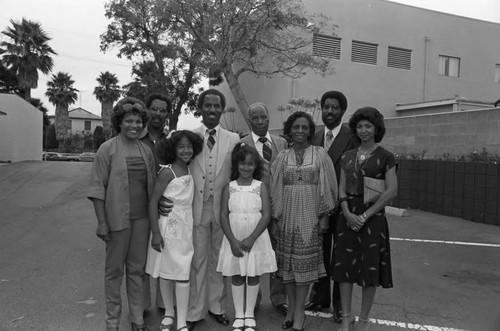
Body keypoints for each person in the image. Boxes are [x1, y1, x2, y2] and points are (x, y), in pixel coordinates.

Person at [87, 97, 155, 331]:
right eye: (129, 121)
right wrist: (101, 222)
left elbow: (153, 188)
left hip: (142, 222)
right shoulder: (107, 149)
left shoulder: (146, 150)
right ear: (120, 122)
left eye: (138, 121)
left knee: (137, 271)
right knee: (114, 272)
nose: (134, 125)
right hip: (117, 221)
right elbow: (97, 188)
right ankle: (112, 322)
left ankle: (137, 319)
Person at [270, 111, 338, 331]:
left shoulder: (320, 155)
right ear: (289, 130)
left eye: (304, 127)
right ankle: (290, 308)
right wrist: (275, 218)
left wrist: (325, 215)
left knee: (304, 267)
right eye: (296, 127)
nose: (300, 131)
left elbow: (328, 186)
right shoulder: (281, 157)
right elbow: (275, 188)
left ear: (310, 131)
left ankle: (299, 312)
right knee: (287, 267)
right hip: (287, 217)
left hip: (310, 218)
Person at [332, 107, 397, 331]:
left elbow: (391, 191)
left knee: (370, 270)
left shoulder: (386, 156)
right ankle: (347, 317)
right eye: (359, 126)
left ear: (376, 128)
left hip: (373, 219)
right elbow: (340, 188)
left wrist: (366, 215)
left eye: (368, 126)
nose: (363, 130)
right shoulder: (347, 156)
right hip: (347, 217)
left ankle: (364, 319)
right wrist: (348, 213)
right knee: (344, 269)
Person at [186, 89, 240, 330]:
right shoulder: (189, 135)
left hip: (222, 208)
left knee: (219, 261)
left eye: (216, 106)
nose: (211, 110)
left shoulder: (233, 138)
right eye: (207, 105)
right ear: (200, 108)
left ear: (221, 108)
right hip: (197, 206)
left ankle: (216, 306)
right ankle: (194, 311)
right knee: (197, 260)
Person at [308, 91, 360, 323]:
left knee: (341, 257)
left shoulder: (353, 136)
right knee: (319, 253)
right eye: (326, 107)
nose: (329, 111)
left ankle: (341, 306)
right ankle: (320, 297)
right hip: (317, 205)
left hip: (343, 205)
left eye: (335, 107)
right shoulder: (315, 136)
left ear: (343, 111)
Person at [145, 130, 204, 331]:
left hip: (185, 226)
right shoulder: (167, 172)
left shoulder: (190, 170)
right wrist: (155, 232)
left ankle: (181, 319)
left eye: (189, 146)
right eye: (181, 146)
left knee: (182, 270)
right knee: (167, 270)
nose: (186, 150)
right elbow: (153, 201)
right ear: (173, 149)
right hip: (168, 226)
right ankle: (170, 313)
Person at [217, 143, 278, 331]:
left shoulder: (260, 187)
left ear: (256, 167)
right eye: (242, 164)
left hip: (256, 238)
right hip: (234, 237)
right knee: (237, 275)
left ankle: (250, 314)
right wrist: (232, 241)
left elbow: (266, 214)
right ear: (236, 165)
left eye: (250, 164)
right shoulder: (230, 187)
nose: (246, 168)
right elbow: (223, 215)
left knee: (252, 275)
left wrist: (252, 238)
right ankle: (239, 315)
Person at [239, 102, 289, 315]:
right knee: (253, 254)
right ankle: (254, 299)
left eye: (263, 117)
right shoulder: (241, 144)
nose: (260, 122)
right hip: (252, 210)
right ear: (249, 121)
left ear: (269, 118)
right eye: (255, 118)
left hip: (278, 209)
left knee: (279, 254)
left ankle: (279, 297)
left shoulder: (281, 142)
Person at [140, 92, 173, 313]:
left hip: (165, 210)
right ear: (147, 110)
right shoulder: (135, 137)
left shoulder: (170, 142)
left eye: (163, 110)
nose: (158, 113)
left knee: (164, 257)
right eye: (155, 109)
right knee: (140, 261)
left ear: (167, 114)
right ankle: (141, 306)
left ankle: (164, 305)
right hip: (139, 208)